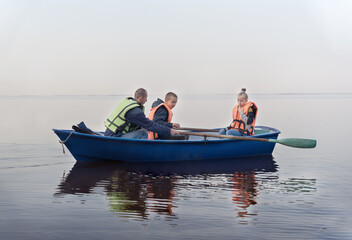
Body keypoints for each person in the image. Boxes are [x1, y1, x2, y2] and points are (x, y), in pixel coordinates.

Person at [104, 88, 179, 139]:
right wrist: (169, 131)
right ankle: (143, 152)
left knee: (144, 129)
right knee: (143, 133)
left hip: (109, 133)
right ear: (141, 98)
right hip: (115, 137)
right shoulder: (135, 112)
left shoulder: (128, 103)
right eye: (145, 98)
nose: (146, 100)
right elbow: (150, 125)